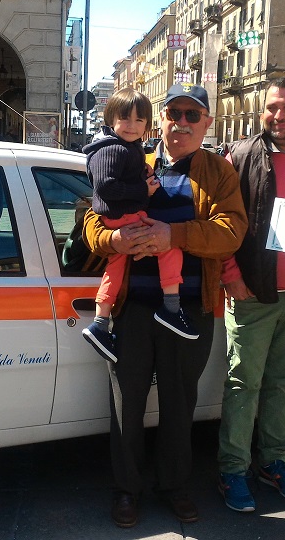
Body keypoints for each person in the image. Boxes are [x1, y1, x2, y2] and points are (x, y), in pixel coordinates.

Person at [82, 82, 246, 528]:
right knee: (126, 401)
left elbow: (232, 230)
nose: (182, 123)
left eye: (193, 116)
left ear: (207, 123)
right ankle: (126, 491)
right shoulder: (132, 155)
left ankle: (174, 486)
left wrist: (174, 236)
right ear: (162, 120)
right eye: (175, 113)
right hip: (133, 306)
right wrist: (112, 238)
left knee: (179, 402)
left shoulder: (218, 172)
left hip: (188, 309)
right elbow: (92, 218)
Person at [215, 76, 285, 512]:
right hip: (252, 292)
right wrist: (230, 276)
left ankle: (274, 462)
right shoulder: (242, 155)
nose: (279, 116)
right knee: (243, 384)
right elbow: (221, 219)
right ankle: (231, 470)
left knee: (283, 383)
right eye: (272, 108)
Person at [82, 89, 196, 363]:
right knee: (168, 246)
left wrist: (141, 175)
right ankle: (171, 308)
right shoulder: (114, 148)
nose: (132, 126)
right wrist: (142, 190)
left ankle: (99, 322)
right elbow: (106, 186)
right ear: (111, 119)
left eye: (139, 120)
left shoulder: (127, 149)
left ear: (147, 124)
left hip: (120, 218)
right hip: (123, 216)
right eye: (125, 118)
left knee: (117, 265)